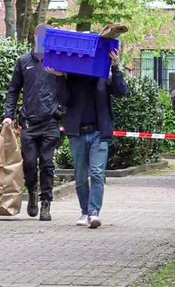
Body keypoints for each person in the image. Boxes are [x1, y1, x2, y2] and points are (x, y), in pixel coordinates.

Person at [48, 49, 129, 229]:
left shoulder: (102, 76)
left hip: (98, 133)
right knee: (81, 176)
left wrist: (115, 68)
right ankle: (84, 211)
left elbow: (122, 91)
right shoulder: (73, 78)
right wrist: (60, 77)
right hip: (77, 133)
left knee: (97, 173)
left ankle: (94, 213)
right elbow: (63, 100)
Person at [2, 25, 62, 221]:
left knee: (47, 164)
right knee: (29, 163)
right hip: (29, 122)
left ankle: (46, 203)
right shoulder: (23, 62)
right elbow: (13, 90)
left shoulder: (57, 63)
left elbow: (68, 90)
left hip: (50, 122)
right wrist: (8, 115)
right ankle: (33, 193)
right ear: (35, 39)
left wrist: (62, 110)